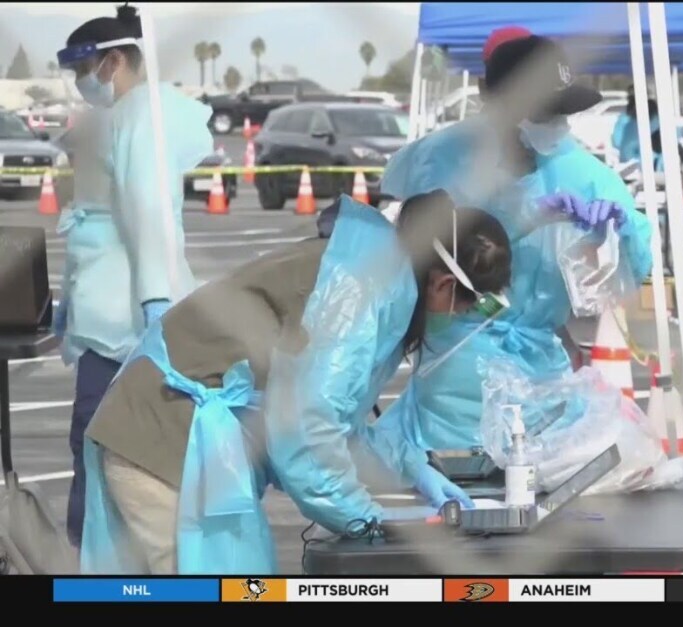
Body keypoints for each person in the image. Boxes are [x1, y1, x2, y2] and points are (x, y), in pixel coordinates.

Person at [80, 191, 515, 574]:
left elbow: (337, 424)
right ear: (443, 283)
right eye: (474, 307)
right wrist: (363, 518)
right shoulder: (359, 289)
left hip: (176, 438)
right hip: (166, 440)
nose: (465, 318)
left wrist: (412, 468)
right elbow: (308, 430)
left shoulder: (375, 274)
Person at [371, 35, 652, 483]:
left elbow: (637, 266)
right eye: (539, 112)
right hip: (455, 363)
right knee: (461, 481)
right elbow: (408, 246)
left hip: (541, 373)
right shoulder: (441, 160)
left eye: (560, 113)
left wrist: (620, 233)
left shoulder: (585, 175)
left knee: (554, 481)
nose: (553, 125)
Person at [52, 4, 213, 549]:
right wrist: (69, 296)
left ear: (114, 61)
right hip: (110, 311)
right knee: (106, 447)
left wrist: (154, 300)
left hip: (126, 321)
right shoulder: (126, 115)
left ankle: (100, 560)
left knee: (103, 445)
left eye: (85, 69)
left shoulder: (142, 117)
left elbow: (148, 213)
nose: (81, 82)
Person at [612, 87, 662, 169]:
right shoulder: (629, 123)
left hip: (632, 165)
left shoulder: (628, 123)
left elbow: (617, 142)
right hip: (637, 166)